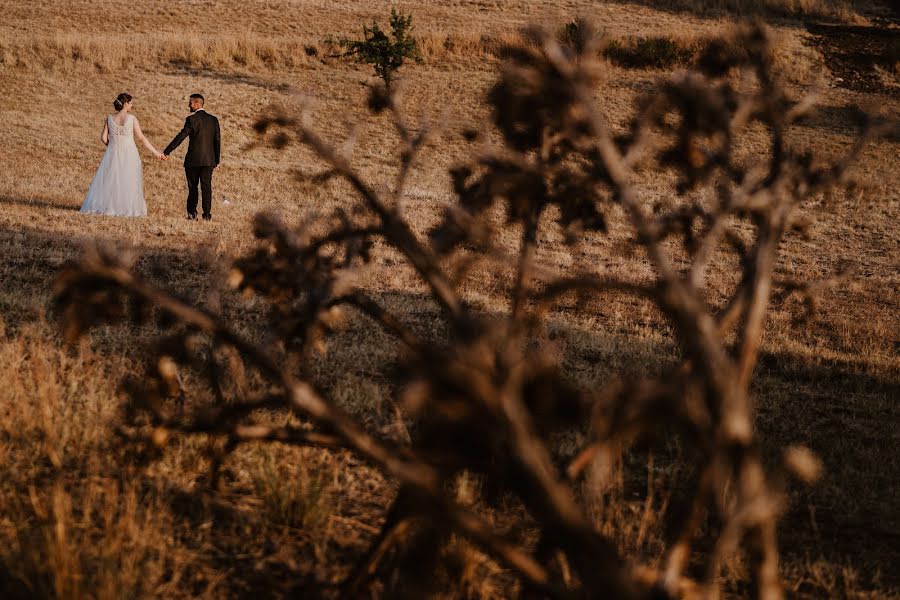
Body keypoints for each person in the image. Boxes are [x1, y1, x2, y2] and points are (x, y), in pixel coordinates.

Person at [80, 93, 165, 217]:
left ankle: (108, 207)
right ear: (125, 103)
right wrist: (156, 152)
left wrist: (112, 146)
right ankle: (127, 208)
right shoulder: (131, 118)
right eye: (131, 102)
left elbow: (103, 138)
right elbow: (141, 138)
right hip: (129, 153)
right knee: (128, 180)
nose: (132, 105)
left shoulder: (109, 118)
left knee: (111, 181)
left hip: (113, 153)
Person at [163, 93, 221, 220]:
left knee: (192, 187)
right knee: (206, 188)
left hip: (193, 160)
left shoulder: (191, 120)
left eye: (190, 103)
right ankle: (206, 215)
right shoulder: (213, 120)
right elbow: (217, 140)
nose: (188, 105)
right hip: (209, 160)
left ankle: (192, 213)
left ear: (196, 104)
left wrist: (167, 151)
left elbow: (181, 136)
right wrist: (216, 160)